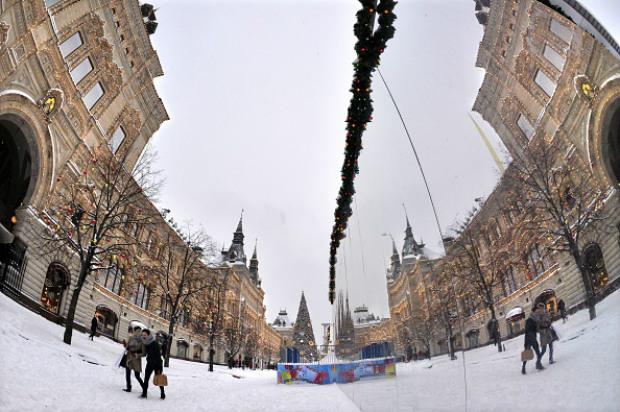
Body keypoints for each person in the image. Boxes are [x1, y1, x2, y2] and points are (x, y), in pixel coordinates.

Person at [141, 329, 165, 400]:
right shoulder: (145, 343)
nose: (144, 336)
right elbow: (144, 353)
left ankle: (162, 393)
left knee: (159, 379)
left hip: (157, 364)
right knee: (146, 379)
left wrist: (157, 367)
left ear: (148, 335)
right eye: (143, 335)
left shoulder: (154, 343)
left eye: (145, 335)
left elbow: (158, 355)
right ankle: (144, 394)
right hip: (149, 364)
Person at [522, 305, 544, 374]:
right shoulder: (529, 320)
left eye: (538, 312)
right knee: (527, 355)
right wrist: (532, 337)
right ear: (533, 312)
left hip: (533, 338)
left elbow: (536, 329)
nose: (537, 313)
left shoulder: (535, 320)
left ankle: (538, 364)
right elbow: (527, 330)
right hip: (529, 339)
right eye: (536, 312)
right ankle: (523, 368)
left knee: (538, 353)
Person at [124, 326, 145, 392]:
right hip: (129, 358)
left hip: (136, 360)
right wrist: (125, 345)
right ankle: (128, 387)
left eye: (139, 331)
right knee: (127, 373)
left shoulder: (142, 341)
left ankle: (144, 388)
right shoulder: (131, 338)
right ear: (135, 332)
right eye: (137, 331)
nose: (138, 332)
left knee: (137, 376)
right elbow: (127, 348)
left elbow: (144, 353)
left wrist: (136, 355)